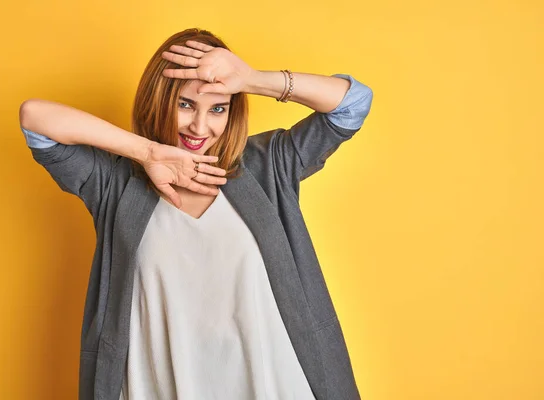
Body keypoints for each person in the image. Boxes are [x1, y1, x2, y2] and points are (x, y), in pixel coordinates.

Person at [19, 28, 373, 400]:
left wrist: (251, 79)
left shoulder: (269, 164)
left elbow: (352, 104)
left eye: (218, 107)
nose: (199, 127)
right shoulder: (116, 182)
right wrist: (148, 153)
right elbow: (35, 120)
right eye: (186, 104)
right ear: (158, 100)